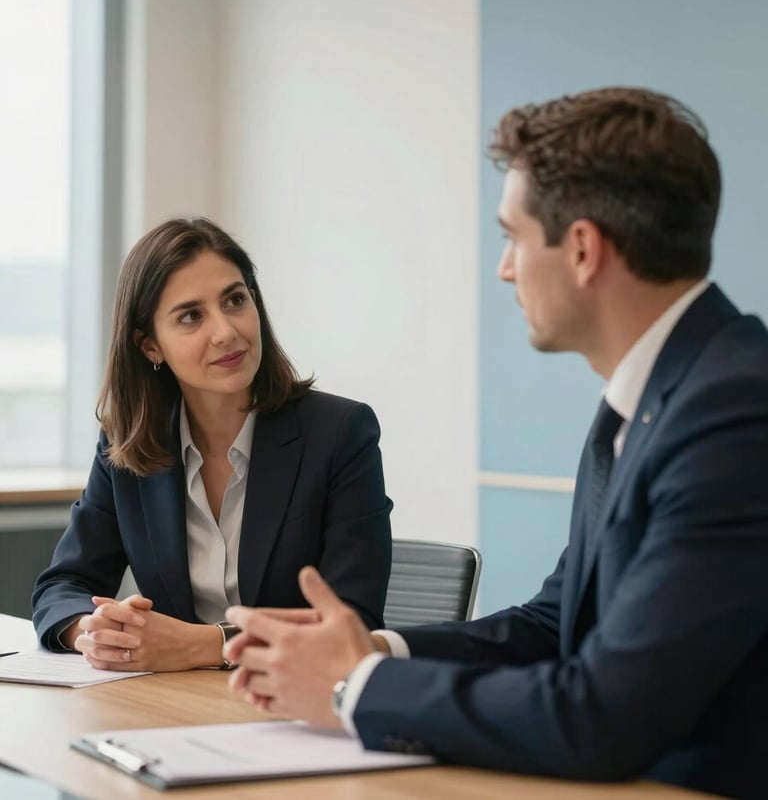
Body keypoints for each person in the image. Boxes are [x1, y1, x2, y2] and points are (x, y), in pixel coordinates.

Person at [222, 88, 768, 800]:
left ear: (580, 249)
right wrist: (373, 650)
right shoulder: (657, 396)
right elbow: (554, 623)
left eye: (512, 236)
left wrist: (354, 687)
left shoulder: (731, 413)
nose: (505, 268)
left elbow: (603, 716)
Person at [32, 218, 392, 672]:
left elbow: (352, 623)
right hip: (176, 706)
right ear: (149, 347)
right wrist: (95, 630)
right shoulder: (128, 443)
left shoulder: (340, 433)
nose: (225, 331)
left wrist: (206, 644)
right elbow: (61, 585)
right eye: (191, 316)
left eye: (235, 300)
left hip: (293, 707)